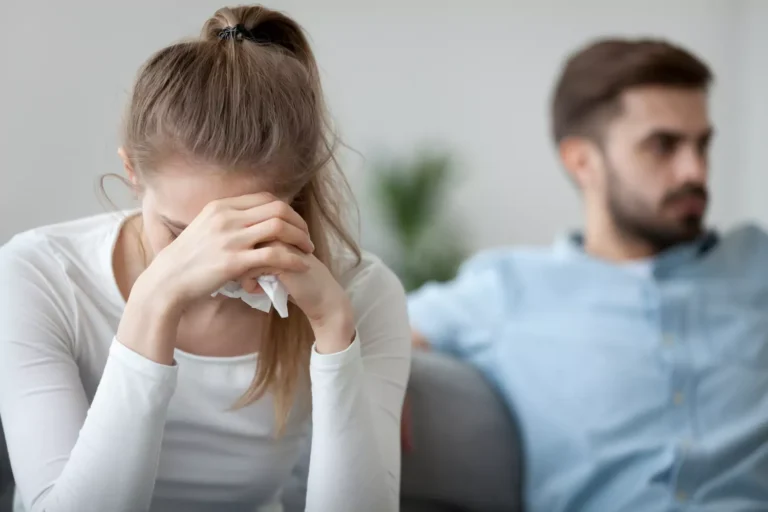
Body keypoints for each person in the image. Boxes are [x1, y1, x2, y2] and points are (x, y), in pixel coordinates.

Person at [0, 5, 410, 512]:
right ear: (132, 171)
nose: (208, 260)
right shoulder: (40, 273)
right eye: (179, 232)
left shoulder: (362, 292)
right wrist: (155, 302)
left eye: (239, 229)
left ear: (294, 193)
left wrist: (335, 337)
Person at [407, 38, 768, 511]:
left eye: (703, 145)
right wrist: (370, 379)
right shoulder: (507, 288)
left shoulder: (755, 262)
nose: (695, 170)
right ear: (582, 161)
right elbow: (372, 325)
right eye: (664, 146)